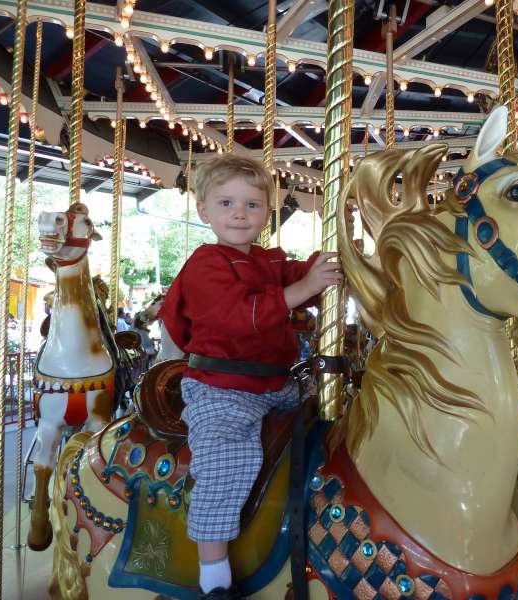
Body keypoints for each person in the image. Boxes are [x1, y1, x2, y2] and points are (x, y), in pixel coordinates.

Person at [158, 154, 342, 599]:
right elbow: (236, 316)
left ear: (267, 211)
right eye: (226, 203)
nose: (240, 213)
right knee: (225, 462)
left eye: (252, 205)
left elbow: (299, 274)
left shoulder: (264, 261)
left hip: (277, 384)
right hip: (222, 389)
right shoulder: (206, 263)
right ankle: (214, 575)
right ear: (204, 211)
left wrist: (337, 256)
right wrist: (304, 288)